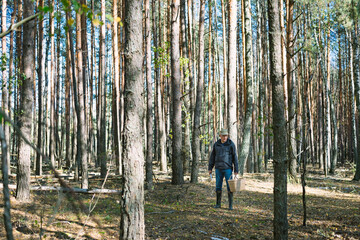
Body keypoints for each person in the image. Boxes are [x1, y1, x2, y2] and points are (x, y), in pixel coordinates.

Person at [208, 128, 239, 210]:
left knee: (230, 187)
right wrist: (210, 168)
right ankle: (218, 204)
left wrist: (236, 170)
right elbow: (212, 157)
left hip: (228, 169)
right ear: (220, 136)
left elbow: (235, 157)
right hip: (218, 169)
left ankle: (230, 205)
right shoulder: (216, 145)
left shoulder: (231, 144)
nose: (225, 137)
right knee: (218, 186)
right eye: (223, 136)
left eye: (226, 136)